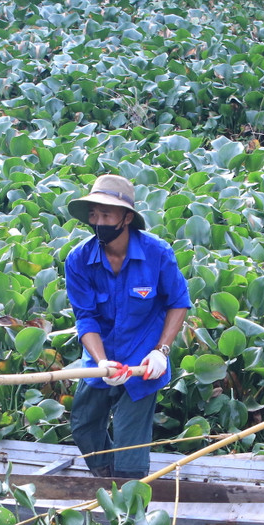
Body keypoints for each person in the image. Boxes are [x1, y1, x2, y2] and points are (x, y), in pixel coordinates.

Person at [63, 174, 190, 479]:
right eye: (93, 214)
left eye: (106, 214)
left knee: (129, 443)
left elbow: (178, 302)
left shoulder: (157, 253)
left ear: (127, 218)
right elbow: (85, 318)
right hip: (100, 357)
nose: (98, 222)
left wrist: (161, 351)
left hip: (142, 360)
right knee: (83, 425)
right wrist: (102, 362)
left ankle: (129, 491)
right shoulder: (78, 259)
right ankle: (108, 481)